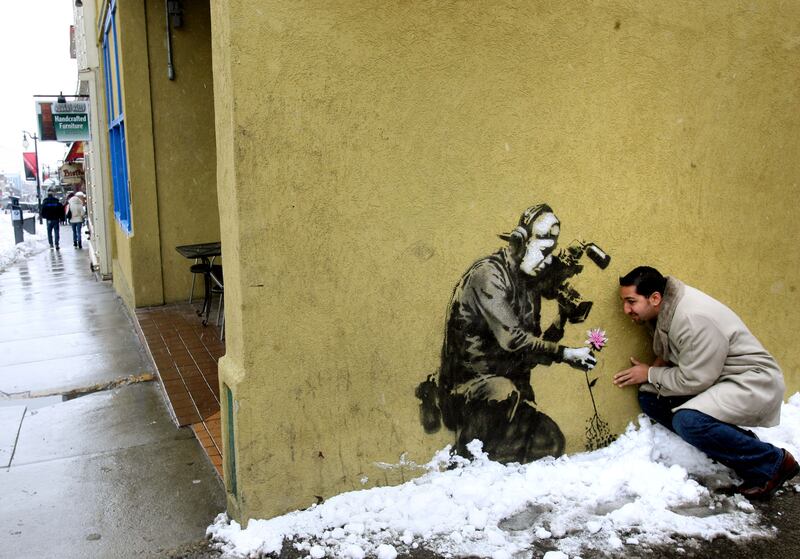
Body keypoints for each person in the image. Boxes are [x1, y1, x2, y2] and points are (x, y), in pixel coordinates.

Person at [417, 204, 598, 464]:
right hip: (469, 388)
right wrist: (565, 354)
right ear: (520, 242)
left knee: (550, 440)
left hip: (510, 392)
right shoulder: (488, 275)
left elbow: (529, 354)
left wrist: (561, 320)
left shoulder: (527, 286)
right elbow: (513, 339)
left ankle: (498, 482)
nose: (548, 261)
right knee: (501, 391)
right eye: (545, 251)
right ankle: (463, 467)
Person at [613, 266, 797, 499]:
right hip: (718, 377)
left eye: (631, 301)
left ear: (655, 298)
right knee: (651, 398)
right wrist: (655, 371)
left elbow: (695, 379)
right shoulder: (668, 307)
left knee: (689, 421)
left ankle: (773, 463)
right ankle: (738, 446)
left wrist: (650, 374)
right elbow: (677, 351)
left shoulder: (692, 318)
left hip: (752, 381)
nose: (626, 309)